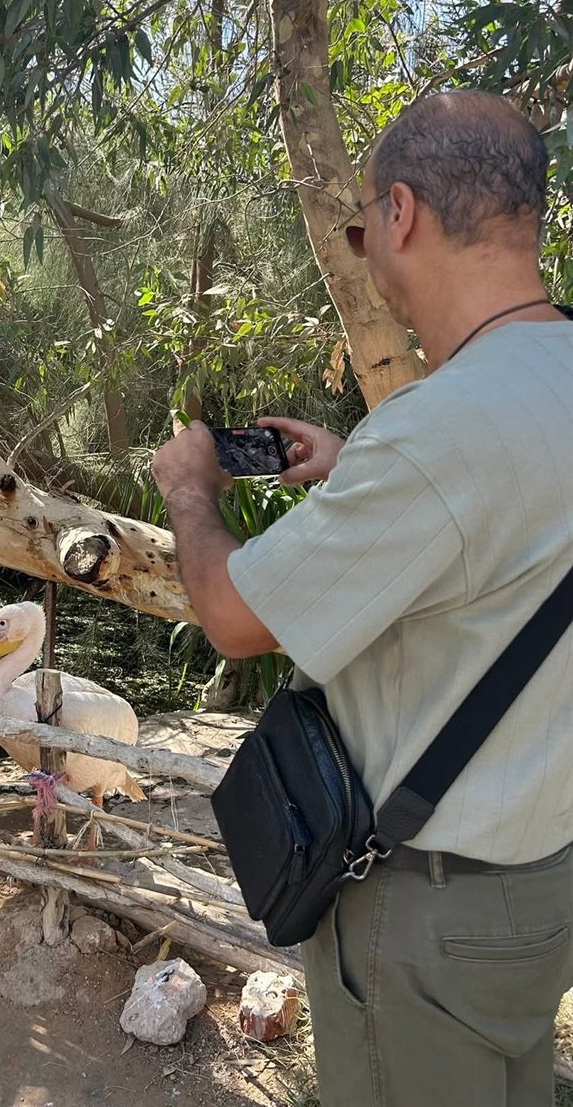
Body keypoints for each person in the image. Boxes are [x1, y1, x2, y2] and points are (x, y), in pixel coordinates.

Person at [151, 90, 573, 1107]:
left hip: (427, 918)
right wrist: (357, 470)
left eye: (360, 227)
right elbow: (514, 531)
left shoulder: (437, 431)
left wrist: (190, 492)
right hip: (540, 883)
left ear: (402, 214)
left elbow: (232, 616)